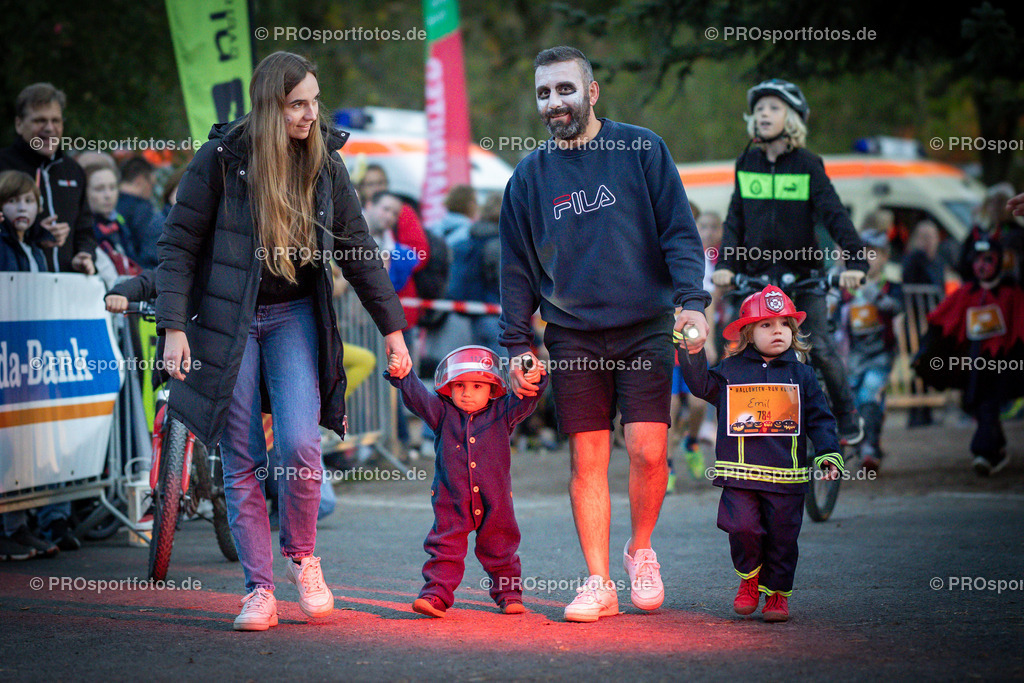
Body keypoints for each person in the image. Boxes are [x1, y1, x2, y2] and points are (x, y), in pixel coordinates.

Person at [156, 51, 411, 631]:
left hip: (294, 313)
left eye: (315, 102)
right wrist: (173, 327)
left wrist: (392, 332)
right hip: (228, 321)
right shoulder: (222, 159)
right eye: (298, 104)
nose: (310, 115)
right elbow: (178, 245)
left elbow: (359, 251)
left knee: (299, 444)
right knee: (242, 455)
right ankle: (259, 590)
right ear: (271, 105)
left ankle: (302, 557)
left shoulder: (323, 161)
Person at [499, 46, 711, 622]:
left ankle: (640, 549)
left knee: (647, 450)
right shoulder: (528, 178)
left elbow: (679, 232)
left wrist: (693, 302)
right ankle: (597, 581)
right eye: (544, 93)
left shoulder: (641, 148)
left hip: (646, 325)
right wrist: (517, 342)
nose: (554, 102)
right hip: (572, 335)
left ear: (591, 92)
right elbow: (516, 268)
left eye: (565, 89)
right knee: (586, 460)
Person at [712, 78, 868, 446]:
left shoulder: (808, 164)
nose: (764, 113)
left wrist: (856, 263)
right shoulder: (746, 161)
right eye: (760, 107)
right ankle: (741, 424)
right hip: (756, 278)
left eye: (774, 108)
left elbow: (834, 215)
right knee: (738, 351)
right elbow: (736, 218)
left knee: (821, 349)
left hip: (804, 276)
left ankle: (846, 413)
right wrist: (728, 264)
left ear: (793, 118)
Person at [679, 285, 843, 622]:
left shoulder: (803, 375)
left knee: (783, 540)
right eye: (767, 325)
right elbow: (699, 386)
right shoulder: (730, 370)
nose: (778, 331)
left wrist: (828, 453)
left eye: (784, 324)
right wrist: (692, 351)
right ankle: (750, 580)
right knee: (743, 528)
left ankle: (777, 595)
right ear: (748, 333)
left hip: (787, 478)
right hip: (740, 475)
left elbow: (820, 418)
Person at [385, 345, 548, 617]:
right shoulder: (441, 413)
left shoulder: (502, 413)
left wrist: (536, 378)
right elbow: (417, 398)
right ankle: (436, 595)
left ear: (493, 389)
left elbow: (527, 399)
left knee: (501, 547)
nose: (467, 393)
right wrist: (403, 376)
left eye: (477, 386)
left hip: (495, 501)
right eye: (459, 385)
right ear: (448, 388)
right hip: (451, 500)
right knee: (444, 548)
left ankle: (509, 595)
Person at [914, 230, 1024, 476]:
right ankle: (996, 449)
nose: (982, 266)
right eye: (978, 259)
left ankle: (983, 451)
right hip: (972, 360)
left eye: (988, 260)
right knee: (976, 402)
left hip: (1004, 360)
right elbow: (941, 321)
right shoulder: (967, 292)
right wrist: (925, 351)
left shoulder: (1011, 292)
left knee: (989, 403)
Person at [0, 170, 64, 560]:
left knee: (23, 444)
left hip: (28, 363)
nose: (21, 208)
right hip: (8, 360)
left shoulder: (37, 250)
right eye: (12, 201)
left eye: (28, 201)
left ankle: (18, 526)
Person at [0, 82, 95, 274]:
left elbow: (85, 229)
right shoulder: (3, 165)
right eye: (40, 120)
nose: (50, 128)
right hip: (14, 287)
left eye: (56, 121)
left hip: (67, 286)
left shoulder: (74, 170)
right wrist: (33, 233)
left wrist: (85, 254)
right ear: (19, 124)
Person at [840, 229, 902, 472]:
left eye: (873, 254)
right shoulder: (847, 287)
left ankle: (870, 450)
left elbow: (895, 307)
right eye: (862, 254)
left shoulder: (890, 287)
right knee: (856, 400)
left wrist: (873, 294)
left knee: (868, 396)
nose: (866, 259)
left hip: (880, 355)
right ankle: (866, 441)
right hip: (853, 356)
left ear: (885, 257)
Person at [901, 219, 946, 428]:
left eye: (932, 236)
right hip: (915, 321)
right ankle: (916, 412)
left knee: (930, 362)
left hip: (933, 322)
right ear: (916, 239)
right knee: (916, 363)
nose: (928, 241)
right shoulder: (913, 259)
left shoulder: (937, 260)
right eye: (924, 237)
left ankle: (926, 411)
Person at [116, 156, 159, 269]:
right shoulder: (142, 208)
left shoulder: (106, 204)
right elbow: (149, 250)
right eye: (152, 185)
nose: (151, 191)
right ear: (140, 181)